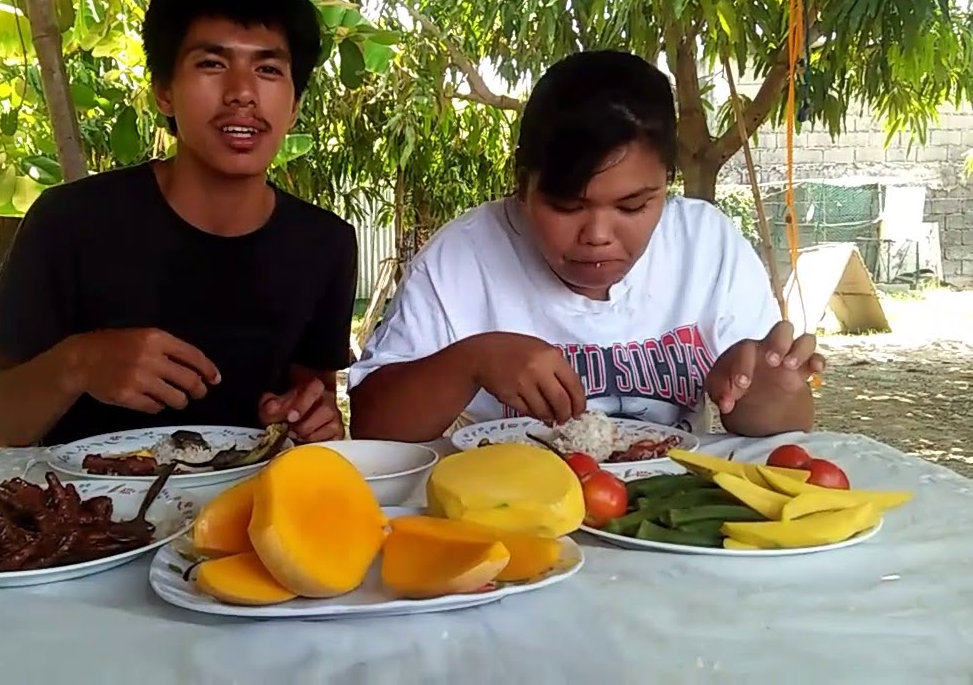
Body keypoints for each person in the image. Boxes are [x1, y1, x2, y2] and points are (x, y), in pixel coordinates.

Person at [0, 0, 356, 449]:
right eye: (212, 64)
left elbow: (313, 394)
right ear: (164, 91)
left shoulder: (325, 243)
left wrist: (310, 418)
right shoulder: (71, 222)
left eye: (269, 69)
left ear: (294, 105)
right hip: (83, 513)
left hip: (245, 511)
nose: (242, 94)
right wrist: (79, 363)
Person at [348, 50, 825, 442]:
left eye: (633, 206)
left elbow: (780, 424)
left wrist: (766, 389)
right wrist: (471, 360)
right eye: (568, 206)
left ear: (668, 182)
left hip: (664, 523)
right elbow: (374, 428)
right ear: (522, 185)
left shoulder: (706, 245)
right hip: (515, 521)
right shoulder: (463, 258)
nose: (597, 234)